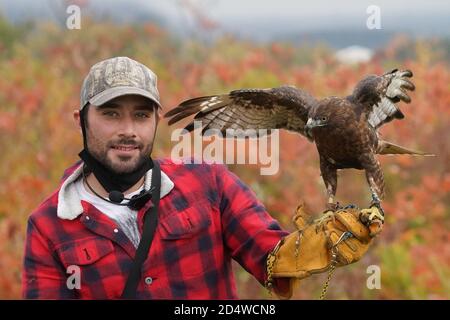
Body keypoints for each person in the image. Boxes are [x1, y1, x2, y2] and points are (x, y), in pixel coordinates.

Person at [22, 56, 382, 299]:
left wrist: (321, 243)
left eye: (142, 116)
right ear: (80, 121)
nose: (128, 130)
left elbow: (275, 256)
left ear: (156, 122)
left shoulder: (207, 182)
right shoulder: (48, 226)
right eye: (111, 114)